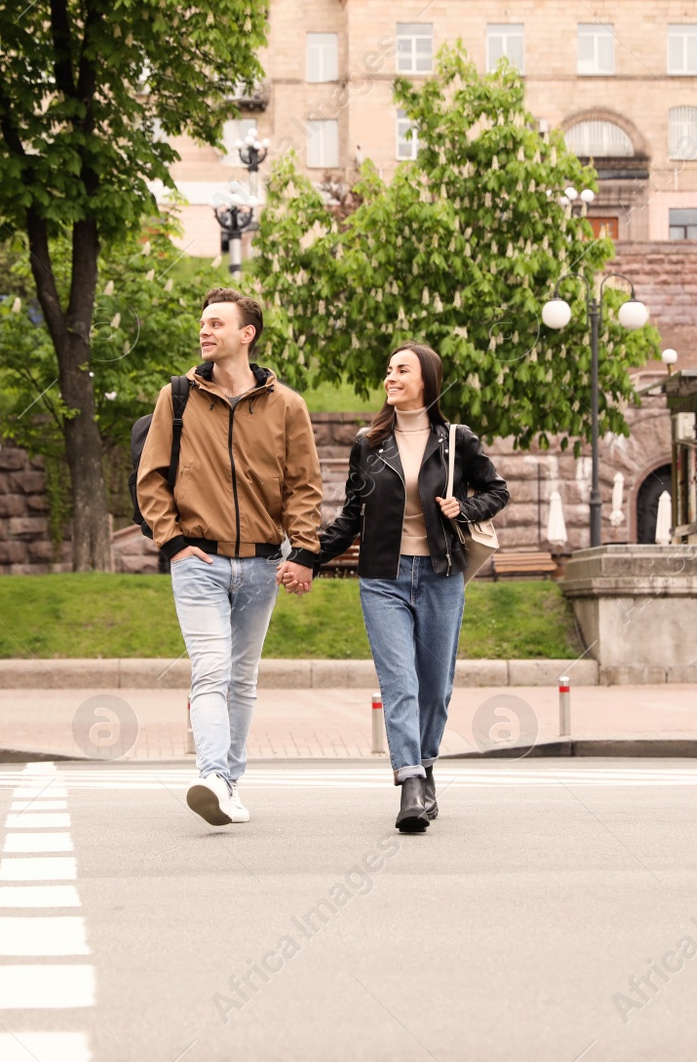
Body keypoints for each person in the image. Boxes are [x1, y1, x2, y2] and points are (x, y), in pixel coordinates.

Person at [137, 287, 323, 827]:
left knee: (241, 679)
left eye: (217, 323)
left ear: (247, 334)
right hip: (199, 560)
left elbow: (304, 486)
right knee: (211, 671)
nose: (205, 331)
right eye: (202, 323)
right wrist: (171, 541)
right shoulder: (176, 397)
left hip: (263, 563)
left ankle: (229, 784)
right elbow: (152, 477)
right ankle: (212, 773)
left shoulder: (287, 406)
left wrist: (304, 550)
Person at [312, 342, 509, 833]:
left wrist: (463, 509)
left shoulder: (457, 440)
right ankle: (409, 783)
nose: (390, 377)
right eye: (388, 369)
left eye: (402, 369)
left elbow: (497, 490)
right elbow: (352, 515)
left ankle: (425, 768)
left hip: (442, 575)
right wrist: (307, 557)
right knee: (399, 682)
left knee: (434, 687)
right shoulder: (368, 443)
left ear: (427, 381)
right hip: (384, 579)